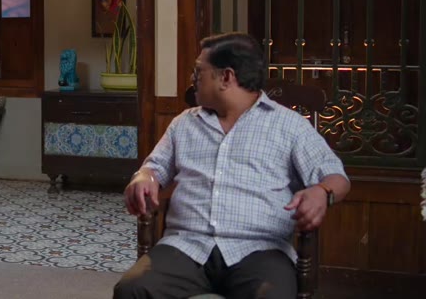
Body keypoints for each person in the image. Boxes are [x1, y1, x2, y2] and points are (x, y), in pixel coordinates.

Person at [114, 33, 350, 299]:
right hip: (187, 246)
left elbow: (336, 177)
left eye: (199, 71)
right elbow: (154, 168)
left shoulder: (289, 126)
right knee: (131, 290)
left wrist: (322, 192)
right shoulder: (185, 123)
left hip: (260, 250)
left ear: (226, 77)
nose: (192, 77)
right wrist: (143, 177)